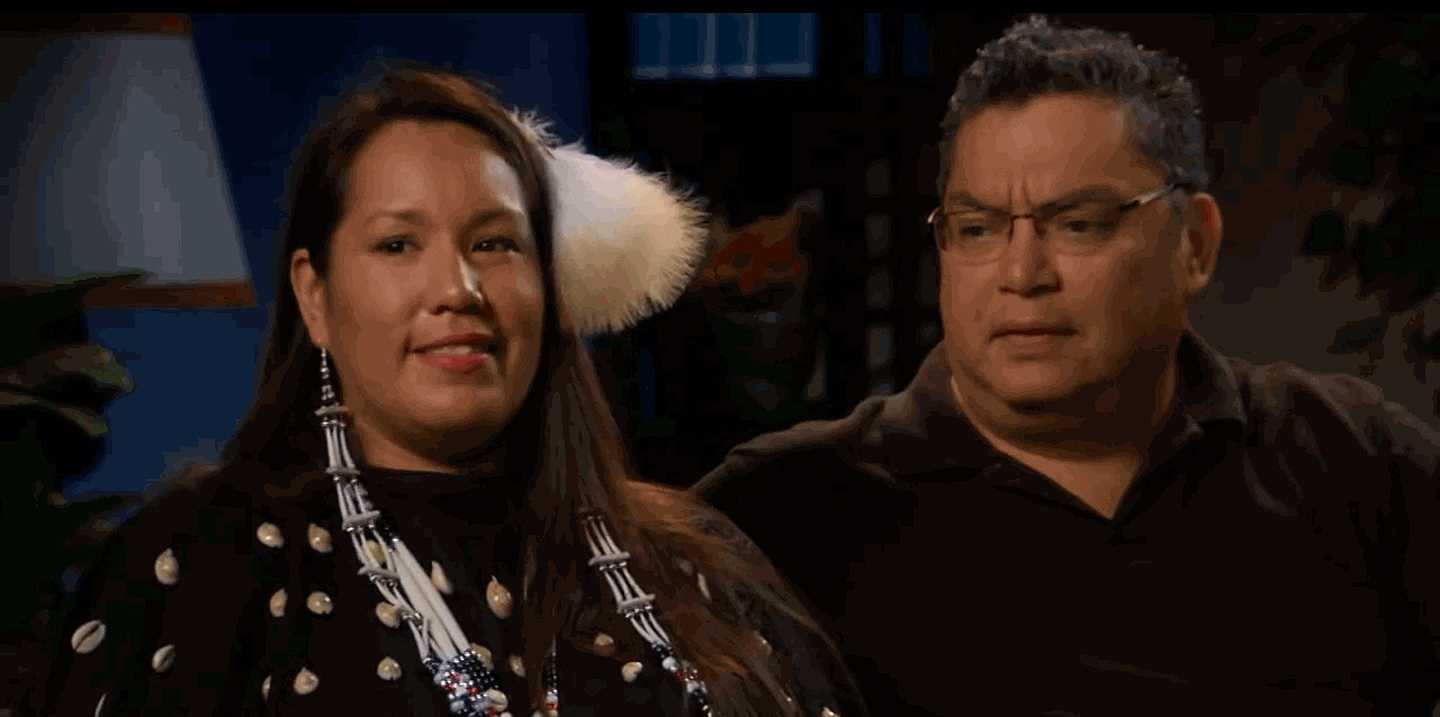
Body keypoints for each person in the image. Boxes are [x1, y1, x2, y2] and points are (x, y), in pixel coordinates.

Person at [23, 65, 860, 717]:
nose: (458, 288)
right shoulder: (203, 568)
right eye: (397, 245)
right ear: (315, 295)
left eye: (495, 243)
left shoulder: (692, 565)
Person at [694, 15, 1440, 716]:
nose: (1022, 274)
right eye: (978, 229)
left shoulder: (1354, 459)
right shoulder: (780, 512)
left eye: (1078, 225)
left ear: (1195, 243)